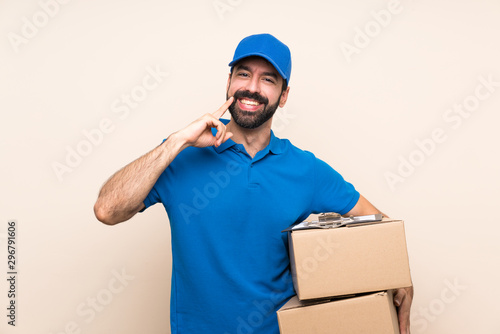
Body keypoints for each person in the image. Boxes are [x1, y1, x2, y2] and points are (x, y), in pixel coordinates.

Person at [94, 33, 413, 334]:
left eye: (268, 79)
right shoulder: (181, 154)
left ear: (284, 95)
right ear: (229, 83)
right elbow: (107, 210)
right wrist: (176, 141)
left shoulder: (305, 169)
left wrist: (399, 277)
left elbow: (379, 227)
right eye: (243, 74)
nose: (252, 87)